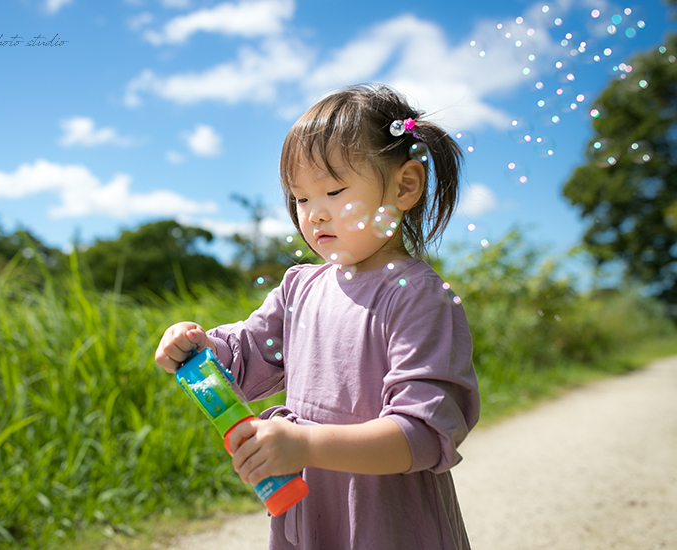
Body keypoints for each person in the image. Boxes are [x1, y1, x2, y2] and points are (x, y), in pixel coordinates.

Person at [155, 83, 480, 550]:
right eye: (301, 199)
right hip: (310, 516)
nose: (314, 215)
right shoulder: (299, 289)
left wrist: (304, 446)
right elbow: (245, 357)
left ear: (405, 185)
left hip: (387, 521)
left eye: (333, 190)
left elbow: (423, 432)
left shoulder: (417, 298)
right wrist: (198, 347)